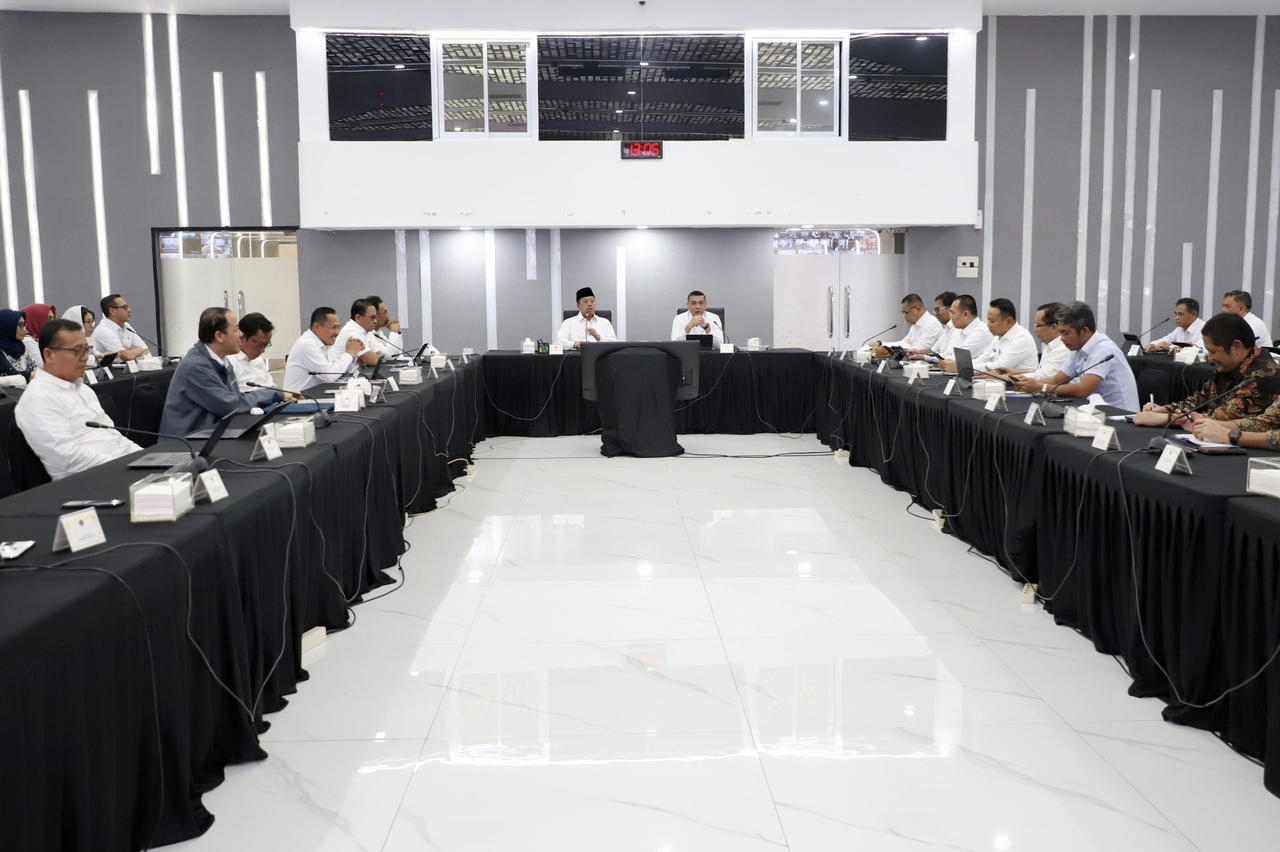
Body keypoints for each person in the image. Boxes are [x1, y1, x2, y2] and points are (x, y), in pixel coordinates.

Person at [14, 318, 141, 480]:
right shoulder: (37, 399)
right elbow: (68, 460)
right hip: (90, 481)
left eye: (86, 350)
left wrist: (143, 458)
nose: (85, 358)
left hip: (121, 469)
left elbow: (114, 436)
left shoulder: (84, 390)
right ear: (49, 354)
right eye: (77, 351)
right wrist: (126, 467)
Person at [1134, 313, 1278, 432]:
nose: (1209, 358)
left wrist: (1166, 418)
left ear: (1236, 346)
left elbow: (1221, 417)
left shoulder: (1264, 376)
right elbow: (1198, 401)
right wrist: (1163, 410)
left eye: (1213, 351)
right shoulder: (1230, 367)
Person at [159, 307, 289, 436]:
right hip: (186, 441)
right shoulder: (196, 366)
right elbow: (232, 406)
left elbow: (235, 401)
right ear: (219, 336)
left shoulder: (222, 360)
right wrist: (274, 394)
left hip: (210, 434)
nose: (240, 335)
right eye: (236, 329)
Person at [1012, 301, 1139, 410]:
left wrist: (1041, 387)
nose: (1061, 339)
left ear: (1084, 331)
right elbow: (1057, 380)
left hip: (1121, 416)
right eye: (1060, 333)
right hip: (1097, 412)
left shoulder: (1104, 349)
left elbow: (1083, 390)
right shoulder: (1077, 348)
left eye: (1066, 333)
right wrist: (1028, 383)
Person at [283, 306, 368, 392]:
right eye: (334, 327)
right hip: (299, 398)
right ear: (317, 327)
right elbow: (330, 376)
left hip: (315, 393)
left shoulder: (325, 343)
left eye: (338, 327)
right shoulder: (307, 344)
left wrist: (355, 359)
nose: (338, 332)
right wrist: (349, 353)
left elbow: (336, 370)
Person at [1009, 302, 1073, 384]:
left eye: (1038, 325)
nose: (1035, 330)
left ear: (1054, 327)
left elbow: (1047, 376)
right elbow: (1042, 371)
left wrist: (1014, 377)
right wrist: (1016, 372)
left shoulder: (1064, 348)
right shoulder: (1049, 345)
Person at [971, 298, 1039, 374]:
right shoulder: (998, 336)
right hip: (998, 379)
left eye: (992, 321)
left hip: (1015, 381)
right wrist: (967, 366)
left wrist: (970, 367)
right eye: (988, 320)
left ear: (1008, 321)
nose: (988, 325)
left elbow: (1000, 367)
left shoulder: (1022, 339)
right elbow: (983, 358)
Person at [874, 293, 943, 358]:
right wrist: (881, 344)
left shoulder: (932, 324)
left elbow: (918, 350)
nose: (904, 316)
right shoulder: (916, 324)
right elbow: (904, 343)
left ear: (916, 309)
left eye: (906, 312)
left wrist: (888, 350)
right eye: (903, 313)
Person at [932, 294, 992, 367]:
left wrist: (931, 359)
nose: (950, 316)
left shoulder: (981, 332)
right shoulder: (960, 330)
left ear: (965, 314)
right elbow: (947, 354)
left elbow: (957, 360)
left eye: (952, 313)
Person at [91, 293, 149, 361]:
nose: (129, 310)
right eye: (125, 307)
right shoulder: (103, 330)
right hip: (106, 368)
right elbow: (126, 356)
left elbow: (145, 349)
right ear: (112, 311)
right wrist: (135, 351)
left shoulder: (126, 326)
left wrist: (130, 351)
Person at [228, 312, 276, 392]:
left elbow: (271, 385)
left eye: (266, 345)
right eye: (260, 345)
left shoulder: (258, 359)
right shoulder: (229, 362)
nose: (263, 350)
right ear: (242, 338)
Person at [334, 299, 385, 365]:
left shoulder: (366, 331)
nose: (375, 321)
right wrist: (372, 357)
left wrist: (373, 357)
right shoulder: (352, 332)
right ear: (358, 317)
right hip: (342, 371)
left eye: (375, 317)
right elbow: (374, 360)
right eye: (372, 317)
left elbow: (381, 353)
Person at [0, 309, 35, 380]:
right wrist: (29, 376)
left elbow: (35, 370)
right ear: (7, 326)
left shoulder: (21, 347)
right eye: (20, 325)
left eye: (24, 325)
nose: (25, 330)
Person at [21, 304, 54, 368]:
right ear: (36, 319)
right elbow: (43, 367)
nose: (53, 322)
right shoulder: (28, 342)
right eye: (49, 318)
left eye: (53, 318)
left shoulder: (37, 340)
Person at [930, 291, 958, 356]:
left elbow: (948, 355)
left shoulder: (958, 328)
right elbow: (933, 351)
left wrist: (925, 357)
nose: (934, 313)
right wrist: (918, 353)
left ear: (950, 309)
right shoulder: (947, 328)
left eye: (937, 309)